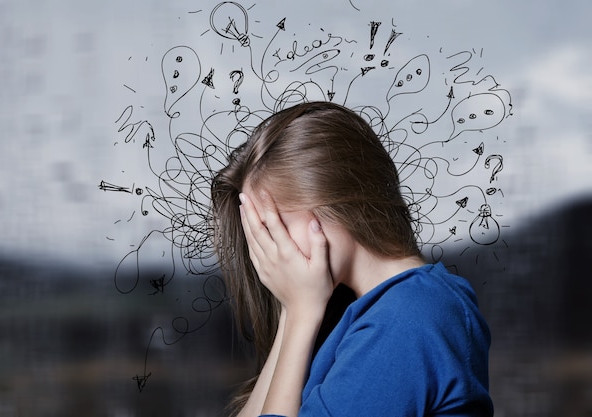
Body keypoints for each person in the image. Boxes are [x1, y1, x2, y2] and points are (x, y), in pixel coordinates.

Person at [211, 101, 493, 417]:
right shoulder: (370, 314)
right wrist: (295, 312)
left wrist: (302, 311)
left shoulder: (409, 316)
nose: (267, 251)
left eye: (272, 227)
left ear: (329, 202)